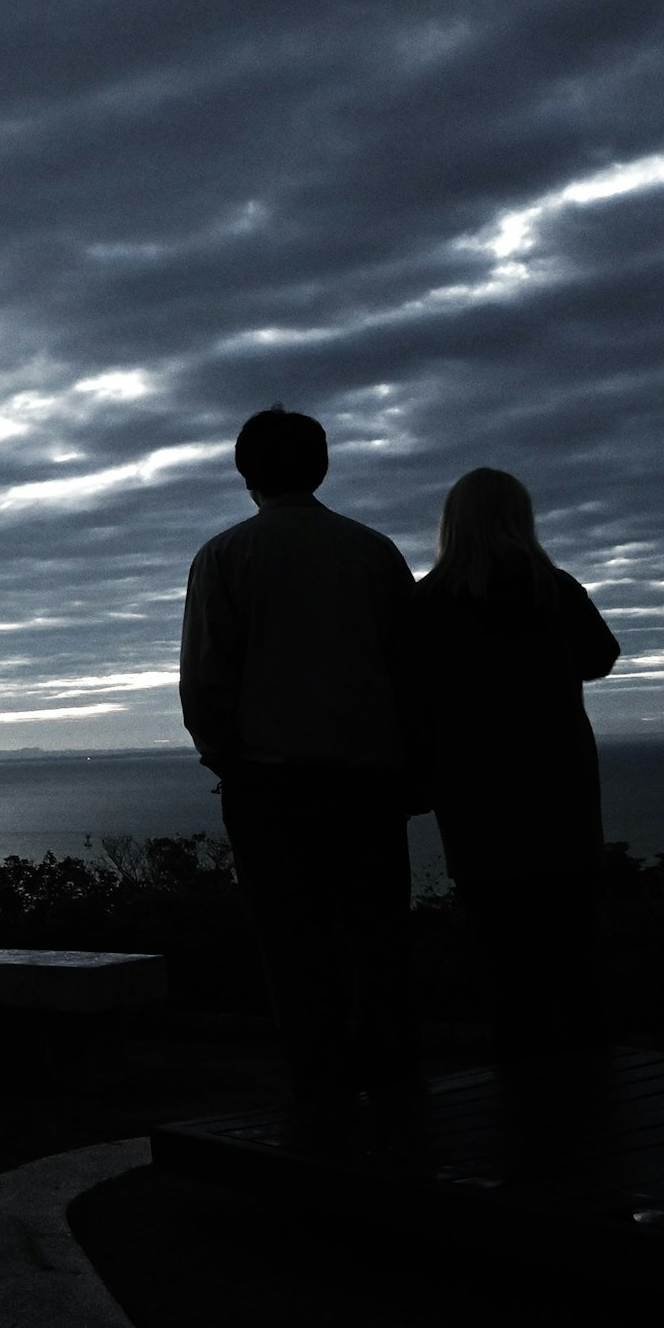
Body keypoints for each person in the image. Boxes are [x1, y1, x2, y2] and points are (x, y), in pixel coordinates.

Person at [180, 404, 427, 1110]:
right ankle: (396, 1093)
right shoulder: (374, 551)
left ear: (245, 473)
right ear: (321, 467)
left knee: (294, 950)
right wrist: (411, 768)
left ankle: (319, 1098)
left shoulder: (225, 556)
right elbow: (413, 673)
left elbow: (205, 680)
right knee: (380, 941)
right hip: (371, 784)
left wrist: (234, 763)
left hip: (270, 786)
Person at [410, 467, 621, 1062]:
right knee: (575, 947)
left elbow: (407, 691)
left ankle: (525, 1095)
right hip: (559, 783)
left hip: (473, 793)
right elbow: (601, 657)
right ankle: (592, 1089)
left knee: (501, 953)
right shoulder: (552, 587)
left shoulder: (426, 601)